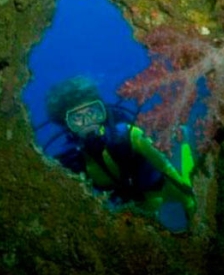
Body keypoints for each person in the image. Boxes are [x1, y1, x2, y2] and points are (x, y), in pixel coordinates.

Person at [45, 76, 197, 231]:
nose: (88, 122)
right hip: (138, 203)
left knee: (190, 195)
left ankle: (184, 139)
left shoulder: (128, 134)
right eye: (77, 118)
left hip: (162, 187)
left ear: (102, 111)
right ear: (65, 123)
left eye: (92, 112)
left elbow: (165, 166)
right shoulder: (72, 160)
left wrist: (186, 194)